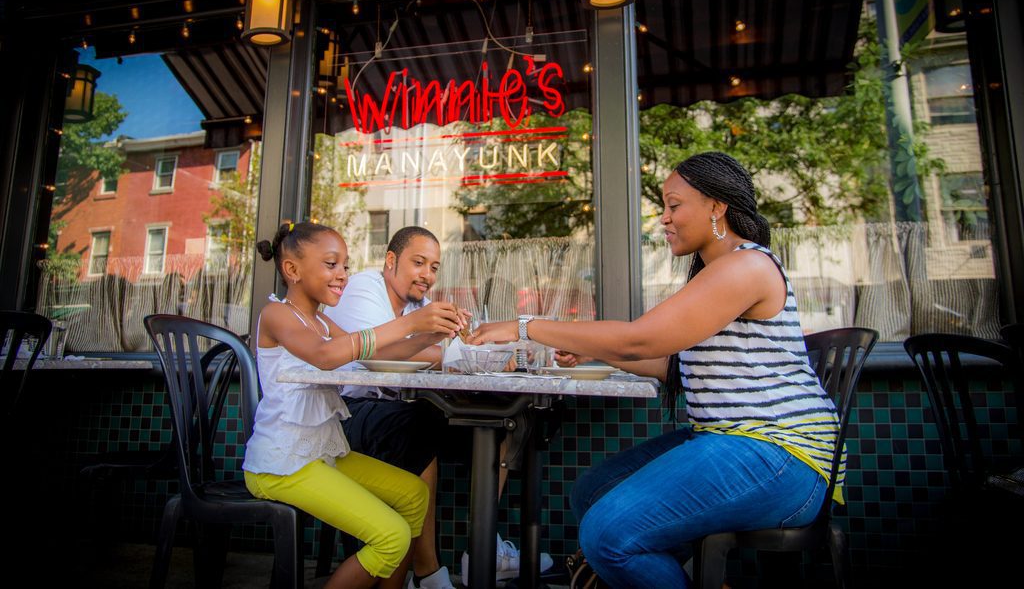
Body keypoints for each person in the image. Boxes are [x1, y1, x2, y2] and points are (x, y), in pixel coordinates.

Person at [468, 152, 841, 588]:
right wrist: (593, 353)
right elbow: (672, 367)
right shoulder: (721, 271)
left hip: (782, 456)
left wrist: (525, 326)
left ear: (716, 206)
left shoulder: (746, 266)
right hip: (736, 441)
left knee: (607, 533)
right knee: (593, 493)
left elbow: (640, 338)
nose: (664, 219)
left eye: (674, 205)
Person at [323, 226, 554, 589]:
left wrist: (471, 346)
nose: (427, 275)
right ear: (390, 261)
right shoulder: (363, 289)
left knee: (503, 424)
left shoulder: (415, 305)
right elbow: (375, 356)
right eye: (418, 263)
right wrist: (461, 351)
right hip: (348, 411)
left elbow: (426, 352)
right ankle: (428, 573)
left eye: (433, 267)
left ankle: (484, 550)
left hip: (399, 407)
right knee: (421, 426)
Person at [244, 221, 468, 589]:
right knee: (391, 536)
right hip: (282, 463)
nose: (343, 275)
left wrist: (432, 335)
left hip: (323, 452)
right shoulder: (277, 315)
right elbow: (326, 357)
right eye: (332, 264)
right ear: (292, 270)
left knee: (414, 496)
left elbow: (378, 356)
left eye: (345, 266)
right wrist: (410, 321)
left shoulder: (322, 322)